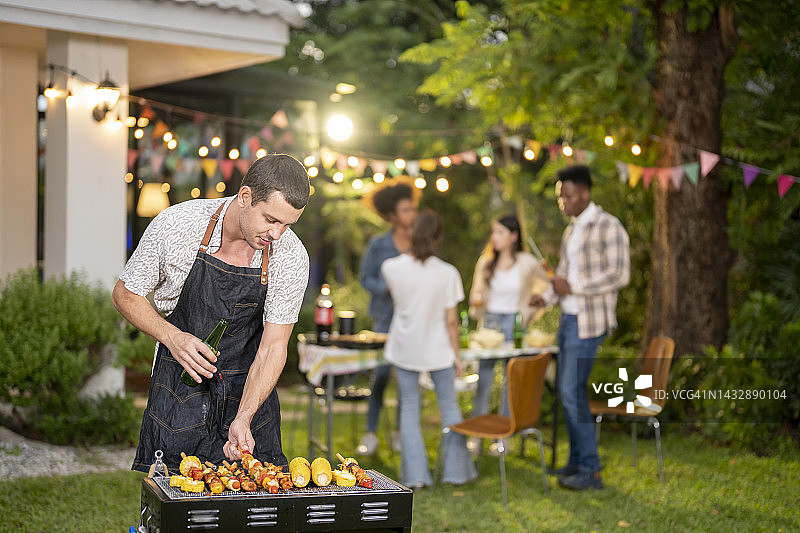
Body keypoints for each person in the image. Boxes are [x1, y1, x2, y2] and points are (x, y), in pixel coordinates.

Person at [112, 154, 310, 474]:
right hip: (180, 389)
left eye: (287, 224)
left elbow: (274, 346)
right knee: (175, 510)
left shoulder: (290, 255)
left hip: (250, 392)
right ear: (245, 197)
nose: (277, 234)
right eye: (271, 219)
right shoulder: (177, 226)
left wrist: (243, 417)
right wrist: (172, 337)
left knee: (254, 514)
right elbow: (125, 293)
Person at [530, 165, 630, 490]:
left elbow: (619, 274)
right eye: (560, 196)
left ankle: (591, 469)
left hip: (590, 323)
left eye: (568, 195)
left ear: (585, 193)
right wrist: (544, 298)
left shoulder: (608, 226)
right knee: (567, 392)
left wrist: (573, 285)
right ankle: (576, 461)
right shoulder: (571, 231)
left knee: (572, 392)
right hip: (568, 319)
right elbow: (561, 275)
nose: (563, 202)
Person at [382, 209, 477, 489]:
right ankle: (456, 473)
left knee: (409, 410)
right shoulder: (448, 273)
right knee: (449, 407)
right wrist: (457, 357)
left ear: (412, 233)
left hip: (404, 348)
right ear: (438, 238)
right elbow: (451, 321)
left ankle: (417, 478)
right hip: (438, 350)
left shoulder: (391, 268)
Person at [357, 180, 418, 455]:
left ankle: (400, 433)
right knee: (380, 376)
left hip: (412, 319)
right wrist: (386, 288)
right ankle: (371, 433)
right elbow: (365, 277)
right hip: (384, 318)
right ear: (393, 215)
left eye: (412, 209)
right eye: (406, 210)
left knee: (407, 378)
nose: (412, 215)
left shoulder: (421, 243)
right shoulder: (378, 245)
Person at [468, 214, 549, 420]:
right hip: (490, 325)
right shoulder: (486, 262)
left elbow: (547, 285)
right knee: (483, 379)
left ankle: (505, 434)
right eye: (493, 232)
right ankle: (478, 432)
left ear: (513, 236)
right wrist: (477, 301)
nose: (494, 237)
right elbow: (476, 293)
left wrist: (532, 308)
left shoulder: (527, 262)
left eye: (500, 232)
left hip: (515, 324)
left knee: (511, 381)